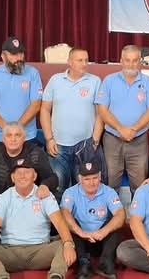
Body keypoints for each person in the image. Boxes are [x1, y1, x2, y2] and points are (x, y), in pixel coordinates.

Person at [0, 161, 77, 279]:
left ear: (34, 176)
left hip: (40, 250)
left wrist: (68, 244)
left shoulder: (45, 195)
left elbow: (59, 223)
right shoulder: (4, 197)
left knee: (66, 243)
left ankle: (56, 276)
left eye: (27, 172)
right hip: (10, 251)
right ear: (12, 177)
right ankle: (1, 277)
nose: (22, 176)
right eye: (19, 173)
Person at [96, 45, 149, 194]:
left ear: (140, 61)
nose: (131, 64)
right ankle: (113, 210)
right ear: (121, 61)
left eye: (135, 60)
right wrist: (120, 129)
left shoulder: (148, 82)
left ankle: (137, 210)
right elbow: (102, 110)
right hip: (112, 139)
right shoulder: (109, 80)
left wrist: (134, 129)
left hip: (138, 139)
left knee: (139, 186)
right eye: (128, 60)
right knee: (110, 183)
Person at [40, 46, 103, 194]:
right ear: (69, 62)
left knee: (84, 189)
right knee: (58, 187)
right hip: (58, 146)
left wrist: (94, 141)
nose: (84, 64)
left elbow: (100, 113)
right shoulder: (55, 80)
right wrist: (49, 139)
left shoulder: (95, 81)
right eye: (80, 60)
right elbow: (44, 110)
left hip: (85, 146)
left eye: (86, 60)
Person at [62, 160, 125, 279]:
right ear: (79, 179)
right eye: (87, 179)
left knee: (115, 223)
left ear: (100, 176)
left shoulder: (108, 191)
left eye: (95, 178)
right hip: (80, 241)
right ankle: (83, 264)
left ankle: (105, 264)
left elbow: (120, 215)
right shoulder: (70, 192)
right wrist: (81, 232)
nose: (91, 183)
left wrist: (103, 232)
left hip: (101, 240)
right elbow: (64, 213)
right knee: (70, 223)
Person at [0, 36, 44, 145]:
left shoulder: (33, 73)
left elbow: (36, 105)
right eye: (13, 54)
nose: (19, 58)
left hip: (26, 137)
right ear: (3, 56)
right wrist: (6, 128)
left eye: (21, 53)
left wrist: (16, 129)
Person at [0, 121, 58, 193]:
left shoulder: (36, 154)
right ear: (3, 139)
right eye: (9, 135)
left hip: (30, 199)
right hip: (1, 200)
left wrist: (45, 185)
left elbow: (52, 178)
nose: (13, 139)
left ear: (24, 138)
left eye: (17, 135)